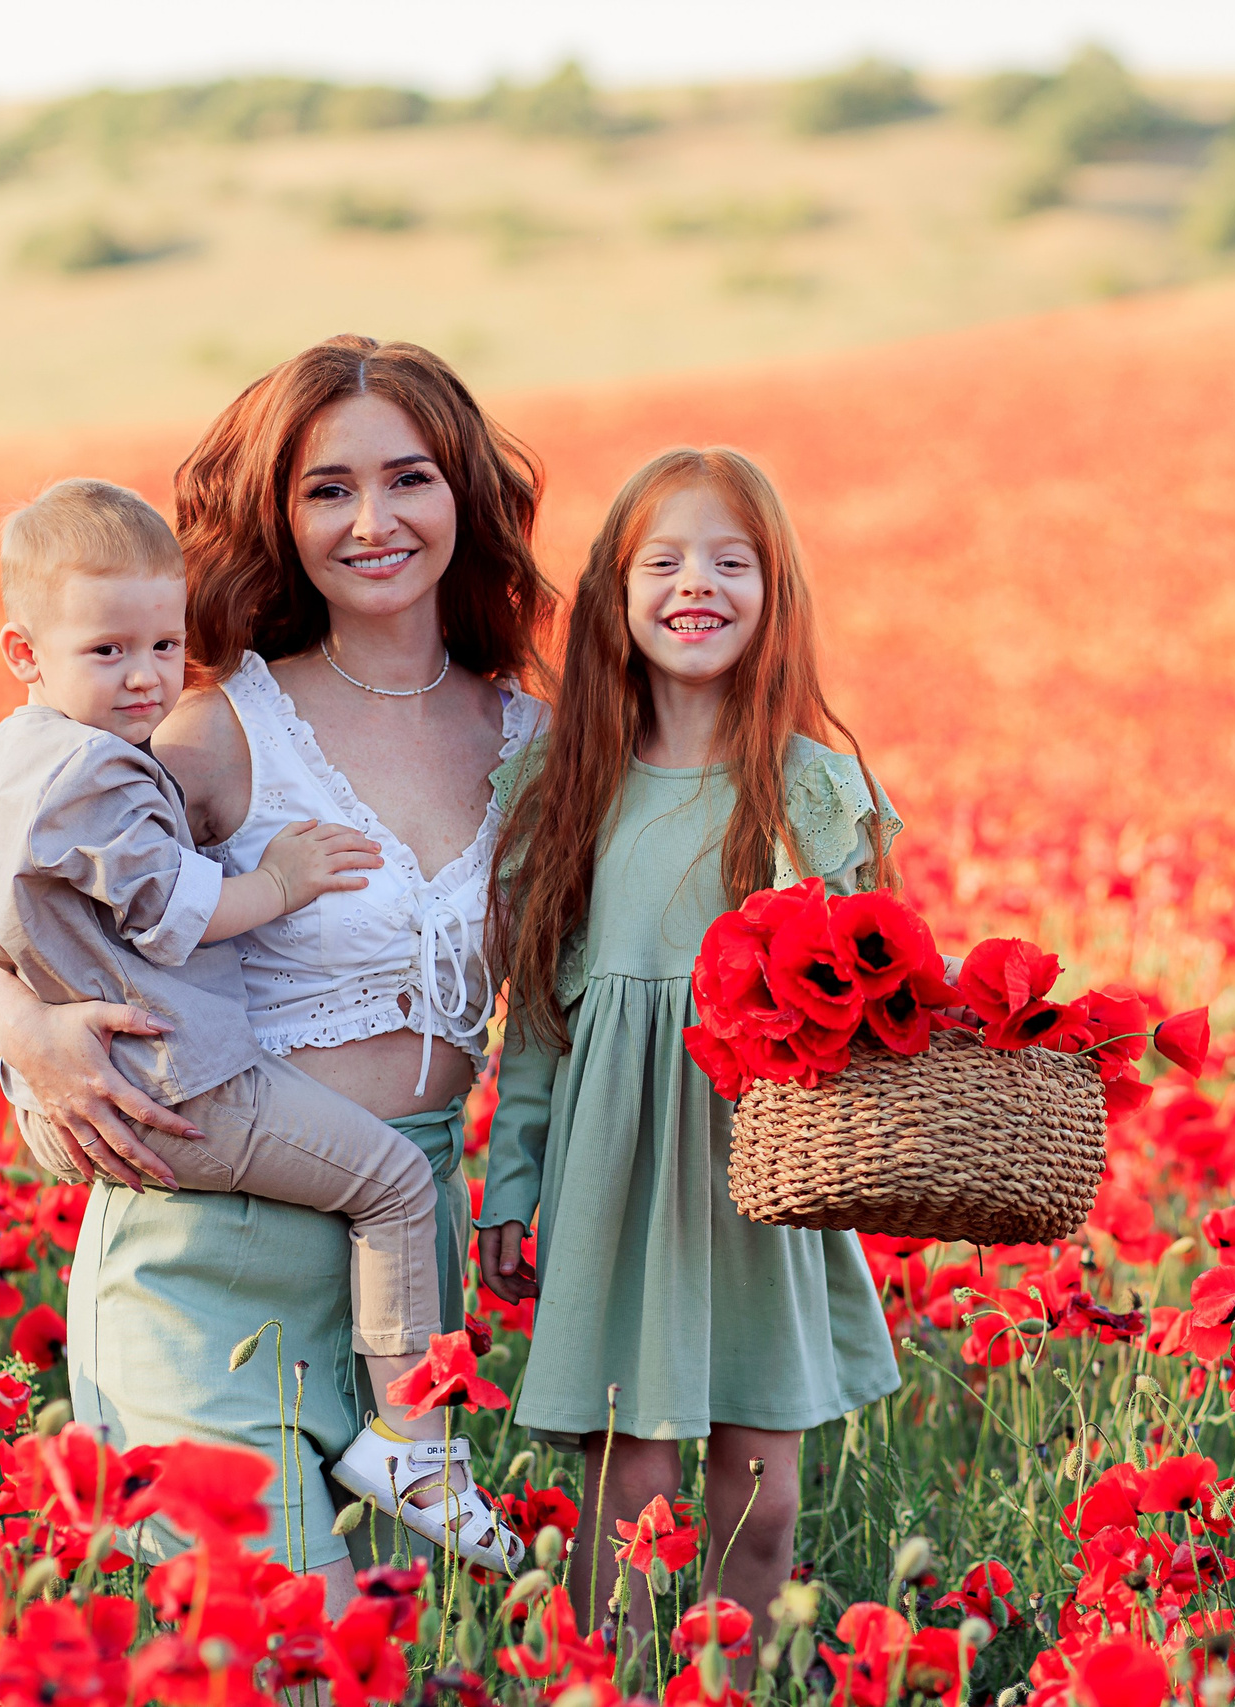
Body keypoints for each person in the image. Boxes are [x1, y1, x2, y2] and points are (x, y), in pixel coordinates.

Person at [0, 337, 556, 1606]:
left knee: (393, 1663)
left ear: (466, 497)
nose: (372, 520)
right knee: (285, 1650)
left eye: (410, 479)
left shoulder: (529, 736)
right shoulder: (217, 725)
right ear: (280, 515)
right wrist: (31, 1042)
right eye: (327, 488)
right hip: (208, 1257)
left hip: (403, 1262)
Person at [478, 447, 903, 1649]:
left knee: (759, 1507)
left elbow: (877, 994)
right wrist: (511, 1182)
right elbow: (541, 1017)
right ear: (614, 592)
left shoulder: (812, 793)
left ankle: (736, 1677)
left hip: (763, 1181)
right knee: (630, 1495)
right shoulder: (567, 786)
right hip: (617, 1175)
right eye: (660, 560)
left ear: (776, 590)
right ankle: (608, 1679)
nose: (693, 584)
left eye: (731, 560)